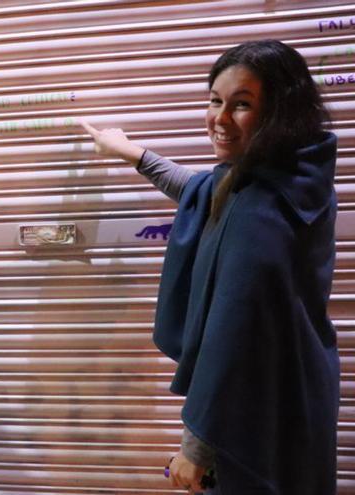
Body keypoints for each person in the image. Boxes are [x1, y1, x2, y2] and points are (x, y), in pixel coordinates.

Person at [82, 40, 338, 493]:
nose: (219, 119)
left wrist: (196, 446)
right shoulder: (296, 176)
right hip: (297, 387)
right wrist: (132, 152)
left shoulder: (259, 212)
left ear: (281, 112)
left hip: (251, 411)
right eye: (215, 100)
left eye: (242, 105)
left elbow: (233, 332)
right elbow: (204, 191)